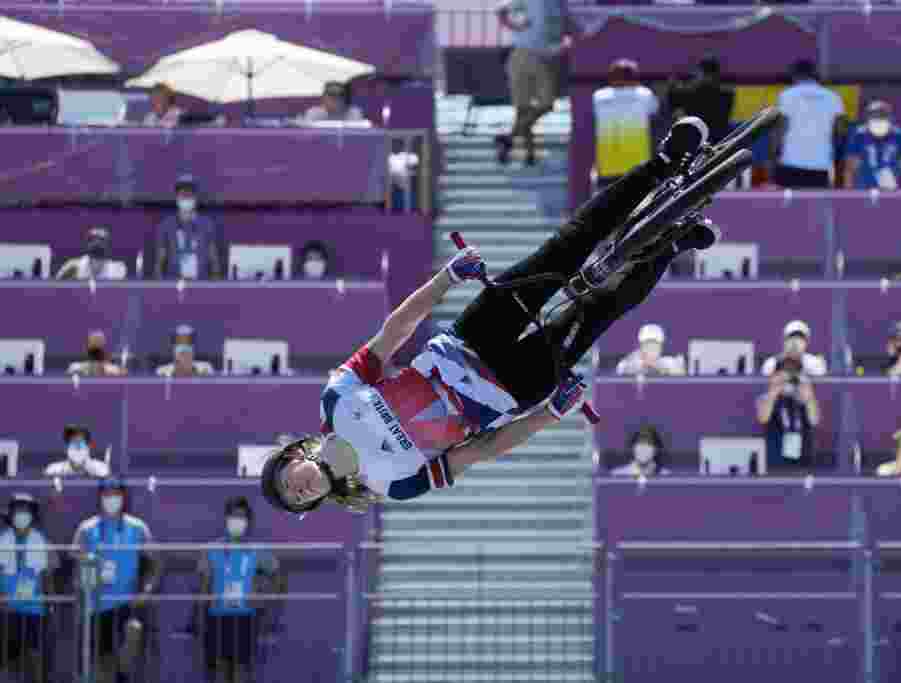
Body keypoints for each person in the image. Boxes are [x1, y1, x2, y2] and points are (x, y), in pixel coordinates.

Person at [260, 118, 716, 515]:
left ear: (293, 455)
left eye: (288, 481)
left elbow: (394, 331)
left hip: (470, 340)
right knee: (601, 308)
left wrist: (446, 279)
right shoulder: (392, 486)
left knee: (565, 247)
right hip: (513, 388)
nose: (298, 489)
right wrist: (548, 416)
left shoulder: (335, 401)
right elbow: (479, 450)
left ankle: (663, 161)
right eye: (297, 499)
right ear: (313, 504)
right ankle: (671, 244)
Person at [73, 478, 161, 683]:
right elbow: (76, 567)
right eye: (107, 494)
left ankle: (122, 675)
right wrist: (86, 575)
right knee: (103, 666)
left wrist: (146, 591)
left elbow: (156, 563)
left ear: (124, 497)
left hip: (126, 604)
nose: (111, 499)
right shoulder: (86, 528)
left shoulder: (138, 527)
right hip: (95, 606)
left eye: (116, 494)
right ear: (100, 497)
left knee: (134, 631)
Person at [197, 497, 283, 683]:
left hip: (245, 618)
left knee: (240, 672)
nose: (237, 521)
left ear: (248, 521)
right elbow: (203, 586)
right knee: (219, 671)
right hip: (216, 617)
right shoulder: (212, 549)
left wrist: (264, 601)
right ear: (226, 518)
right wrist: (199, 616)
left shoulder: (257, 550)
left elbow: (278, 577)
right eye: (233, 516)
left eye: (242, 517)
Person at [494, 0, 574, 166]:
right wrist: (515, 26)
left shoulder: (555, 6)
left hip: (539, 57)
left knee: (544, 105)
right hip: (521, 55)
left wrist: (560, 46)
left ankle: (509, 140)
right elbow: (500, 10)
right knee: (525, 109)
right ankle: (529, 155)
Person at [0, 493, 59, 683]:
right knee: (7, 660)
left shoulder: (43, 542)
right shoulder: (2, 540)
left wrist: (51, 605)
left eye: (25, 511)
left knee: (36, 658)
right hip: (6, 610)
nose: (21, 515)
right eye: (17, 511)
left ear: (33, 515)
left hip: (35, 611)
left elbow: (48, 577)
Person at [769, 60, 846, 189]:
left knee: (788, 207)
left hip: (790, 162)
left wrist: (772, 157)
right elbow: (840, 132)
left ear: (795, 75)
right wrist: (834, 158)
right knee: (815, 206)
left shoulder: (787, 95)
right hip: (821, 164)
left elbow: (779, 130)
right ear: (814, 75)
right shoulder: (833, 97)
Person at [591, 58, 659, 191]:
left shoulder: (599, 96)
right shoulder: (645, 95)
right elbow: (655, 111)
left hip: (607, 167)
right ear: (634, 77)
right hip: (638, 168)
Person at [155, 174, 223, 280]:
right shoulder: (166, 225)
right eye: (183, 194)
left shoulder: (206, 224)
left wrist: (215, 284)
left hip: (201, 284)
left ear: (196, 197)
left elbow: (213, 257)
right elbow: (160, 259)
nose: (186, 197)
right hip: (173, 284)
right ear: (176, 197)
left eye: (189, 194)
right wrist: (159, 286)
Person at [756, 361, 820, 469]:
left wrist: (808, 396)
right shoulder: (766, 399)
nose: (788, 381)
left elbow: (814, 420)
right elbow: (763, 418)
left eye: (792, 376)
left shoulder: (805, 400)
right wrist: (774, 391)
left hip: (804, 461)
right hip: (777, 461)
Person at [842, 100, 901, 191]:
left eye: (882, 115)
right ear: (868, 118)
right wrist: (849, 197)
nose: (878, 118)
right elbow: (850, 170)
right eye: (875, 116)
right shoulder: (859, 135)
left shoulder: (899, 135)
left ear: (890, 118)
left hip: (891, 191)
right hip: (864, 191)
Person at [664, 55, 735, 145]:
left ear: (701, 72)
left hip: (697, 145)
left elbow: (674, 107)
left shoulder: (689, 93)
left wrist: (672, 88)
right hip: (719, 145)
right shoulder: (727, 94)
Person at [55, 226, 127, 281]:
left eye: (102, 240)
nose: (97, 243)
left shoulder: (118, 269)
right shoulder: (74, 266)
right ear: (87, 244)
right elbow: (56, 289)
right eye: (93, 240)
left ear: (108, 245)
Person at [760, 320, 828, 377]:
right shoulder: (771, 363)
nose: (795, 343)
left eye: (800, 338)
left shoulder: (815, 363)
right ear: (784, 341)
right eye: (791, 337)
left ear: (807, 343)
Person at [615, 323, 686, 376]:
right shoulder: (630, 363)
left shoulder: (669, 362)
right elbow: (621, 369)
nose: (651, 350)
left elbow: (682, 377)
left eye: (655, 346)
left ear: (661, 348)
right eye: (647, 345)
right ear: (641, 347)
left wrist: (659, 367)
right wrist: (641, 365)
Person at [43, 424, 111, 478]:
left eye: (81, 443)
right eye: (73, 443)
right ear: (66, 449)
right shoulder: (53, 469)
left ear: (89, 447)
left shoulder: (101, 469)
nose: (77, 447)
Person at [302, 82, 366, 123]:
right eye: (331, 94)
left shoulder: (354, 113)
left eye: (340, 94)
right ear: (323, 97)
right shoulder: (314, 113)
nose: (336, 98)